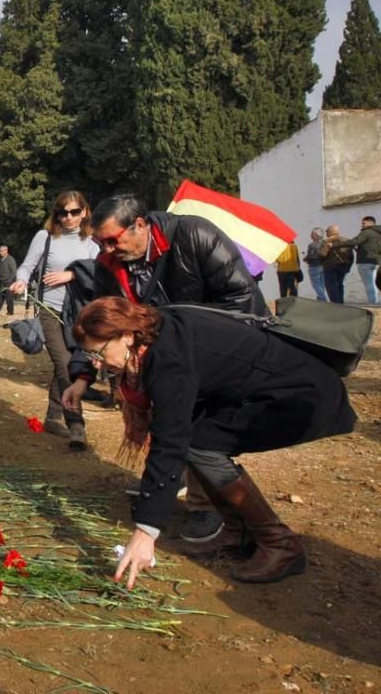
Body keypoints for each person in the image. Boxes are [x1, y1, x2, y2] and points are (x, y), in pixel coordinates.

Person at [74, 297, 355, 588]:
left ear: (127, 335)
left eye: (100, 351)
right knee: (198, 440)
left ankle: (281, 544)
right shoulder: (155, 326)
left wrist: (145, 532)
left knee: (199, 444)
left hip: (300, 396)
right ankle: (239, 532)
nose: (99, 362)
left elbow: (169, 444)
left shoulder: (168, 360)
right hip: (266, 388)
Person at [63, 193, 268, 546]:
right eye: (101, 242)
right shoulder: (109, 263)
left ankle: (208, 507)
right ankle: (166, 484)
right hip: (159, 356)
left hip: (214, 350)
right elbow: (101, 320)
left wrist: (191, 338)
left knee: (196, 427)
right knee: (167, 424)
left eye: (113, 240)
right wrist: (82, 374)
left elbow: (241, 301)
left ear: (140, 225)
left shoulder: (195, 236)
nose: (109, 249)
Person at [10, 191, 99, 449]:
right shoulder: (45, 236)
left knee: (67, 363)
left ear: (84, 212)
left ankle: (52, 416)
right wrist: (21, 280)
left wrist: (71, 275)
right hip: (48, 308)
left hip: (79, 313)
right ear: (56, 214)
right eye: (63, 212)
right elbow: (27, 266)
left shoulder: (93, 243)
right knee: (65, 365)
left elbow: (99, 274)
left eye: (74, 212)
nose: (68, 217)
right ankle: (76, 425)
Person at [331, 216, 380, 305]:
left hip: (365, 261)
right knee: (374, 283)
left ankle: (373, 302)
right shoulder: (378, 233)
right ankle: (376, 301)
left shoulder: (367, 232)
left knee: (369, 283)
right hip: (376, 261)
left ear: (371, 223)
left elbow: (354, 241)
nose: (362, 225)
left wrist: (335, 245)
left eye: (364, 223)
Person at [317, 225, 353, 304]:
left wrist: (320, 259)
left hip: (330, 266)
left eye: (327, 231)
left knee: (331, 286)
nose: (326, 232)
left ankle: (335, 304)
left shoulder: (327, 241)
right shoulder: (346, 240)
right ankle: (340, 302)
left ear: (330, 232)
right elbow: (351, 256)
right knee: (340, 284)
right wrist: (348, 266)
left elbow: (322, 255)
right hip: (343, 266)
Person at [0, 245, 18, 316]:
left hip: (8, 282)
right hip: (0, 281)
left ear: (6, 251)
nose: (0, 253)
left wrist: (10, 280)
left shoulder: (10, 259)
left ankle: (10, 312)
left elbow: (13, 271)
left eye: (2, 251)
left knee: (9, 298)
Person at [303, 228, 328, 302]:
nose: (310, 235)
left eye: (312, 234)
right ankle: (320, 299)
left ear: (316, 235)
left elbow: (311, 255)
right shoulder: (325, 243)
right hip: (323, 266)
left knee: (316, 284)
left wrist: (306, 258)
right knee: (322, 284)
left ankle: (323, 298)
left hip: (314, 266)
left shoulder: (312, 245)